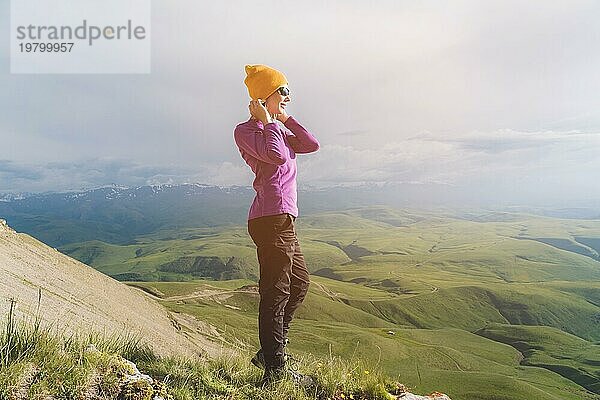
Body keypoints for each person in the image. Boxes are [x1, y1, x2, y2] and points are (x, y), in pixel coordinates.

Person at [233, 64, 320, 385]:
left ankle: (272, 351)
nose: (288, 95)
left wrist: (283, 119)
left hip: (283, 218)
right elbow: (276, 157)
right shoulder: (247, 131)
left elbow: (311, 143)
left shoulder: (277, 128)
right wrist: (269, 121)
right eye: (281, 90)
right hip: (269, 218)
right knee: (277, 291)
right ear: (262, 96)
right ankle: (275, 369)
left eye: (288, 90)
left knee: (299, 285)